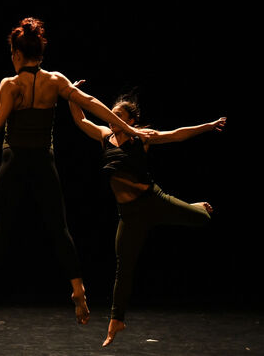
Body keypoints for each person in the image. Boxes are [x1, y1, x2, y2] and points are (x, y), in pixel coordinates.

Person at [0, 17, 149, 326]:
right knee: (59, 227)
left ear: (17, 54)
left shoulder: (10, 85)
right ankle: (78, 290)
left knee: (1, 225)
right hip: (43, 161)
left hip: (13, 160)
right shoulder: (56, 80)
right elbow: (89, 102)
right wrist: (127, 126)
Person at [68, 81, 226, 347]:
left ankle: (195, 207)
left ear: (131, 120)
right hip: (128, 214)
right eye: (113, 114)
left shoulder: (141, 137)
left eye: (120, 115)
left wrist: (207, 127)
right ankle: (116, 320)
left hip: (153, 201)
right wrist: (72, 94)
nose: (113, 118)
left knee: (203, 219)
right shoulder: (104, 135)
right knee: (124, 267)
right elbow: (80, 118)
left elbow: (176, 134)